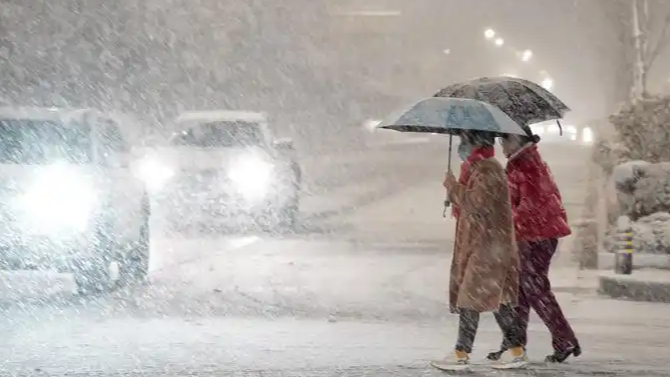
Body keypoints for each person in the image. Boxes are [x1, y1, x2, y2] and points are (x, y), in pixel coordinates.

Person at [431, 130, 528, 371]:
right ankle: (515, 350)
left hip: (489, 247)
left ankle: (461, 353)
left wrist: (453, 187)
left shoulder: (488, 169)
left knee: (470, 299)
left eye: (465, 141)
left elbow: (477, 204)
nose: (462, 146)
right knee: (500, 301)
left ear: (475, 143)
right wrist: (455, 190)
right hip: (485, 245)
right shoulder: (481, 167)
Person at [487, 133, 581, 363]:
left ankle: (563, 339)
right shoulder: (522, 162)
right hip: (533, 234)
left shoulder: (527, 165)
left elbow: (530, 205)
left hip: (537, 236)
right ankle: (514, 342)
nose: (502, 146)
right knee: (520, 289)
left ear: (517, 141)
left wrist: (509, 224)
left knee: (534, 288)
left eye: (505, 141)